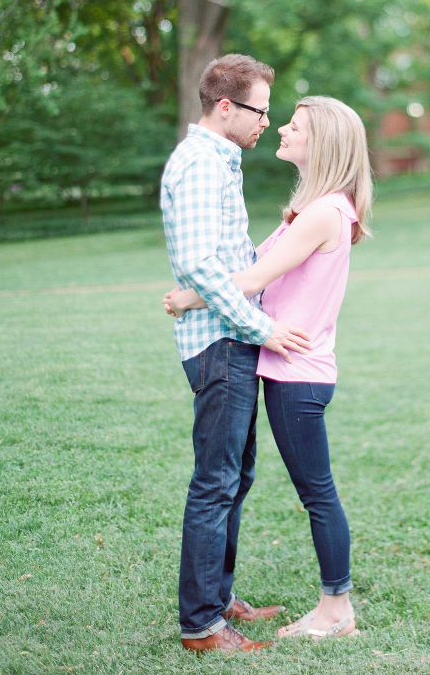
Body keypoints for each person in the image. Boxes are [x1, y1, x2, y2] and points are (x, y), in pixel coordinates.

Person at [166, 95, 372, 639]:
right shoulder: (316, 209)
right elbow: (253, 264)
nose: (280, 127)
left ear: (322, 142)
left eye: (295, 125)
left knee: (317, 493)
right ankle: (325, 606)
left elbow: (252, 280)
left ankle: (337, 610)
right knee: (290, 486)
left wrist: (190, 297)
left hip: (296, 371)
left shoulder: (326, 211)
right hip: (286, 367)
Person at [160, 54, 311, 655]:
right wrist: (260, 325)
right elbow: (200, 261)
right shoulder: (200, 163)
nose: (266, 124)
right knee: (216, 481)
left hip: (230, 335)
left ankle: (219, 597)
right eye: (259, 111)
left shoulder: (219, 160)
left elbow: (227, 259)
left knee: (235, 476)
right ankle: (200, 625)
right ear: (226, 107)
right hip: (222, 342)